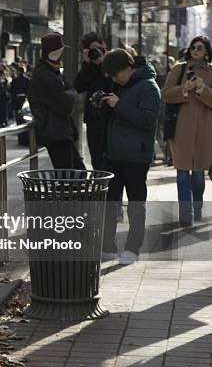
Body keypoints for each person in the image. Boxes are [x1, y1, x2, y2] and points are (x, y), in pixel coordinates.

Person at [100, 49, 161, 265]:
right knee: (110, 201)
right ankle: (107, 245)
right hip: (115, 153)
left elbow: (148, 120)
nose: (114, 79)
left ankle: (133, 248)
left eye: (116, 75)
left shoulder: (148, 87)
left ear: (128, 68)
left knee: (136, 203)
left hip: (137, 155)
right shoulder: (121, 84)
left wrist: (119, 104)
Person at [162, 36, 212, 225]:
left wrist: (202, 89)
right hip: (181, 130)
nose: (195, 50)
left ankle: (197, 205)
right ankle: (186, 214)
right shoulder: (179, 68)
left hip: (205, 132)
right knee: (183, 173)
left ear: (206, 51)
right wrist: (185, 88)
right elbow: (166, 94)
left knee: (198, 175)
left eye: (200, 47)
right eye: (193, 47)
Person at [28, 33, 85, 170]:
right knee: (69, 178)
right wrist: (70, 93)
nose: (63, 55)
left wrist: (68, 92)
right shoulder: (46, 75)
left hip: (58, 131)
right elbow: (65, 105)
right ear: (55, 53)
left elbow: (67, 91)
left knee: (76, 175)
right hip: (56, 132)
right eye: (61, 52)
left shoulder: (50, 72)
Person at [74, 32, 113, 171]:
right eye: (93, 49)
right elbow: (78, 86)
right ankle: (100, 190)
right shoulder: (88, 67)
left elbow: (114, 84)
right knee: (96, 159)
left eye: (99, 48)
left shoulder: (111, 64)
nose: (96, 52)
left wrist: (103, 63)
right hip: (93, 120)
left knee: (110, 160)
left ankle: (112, 191)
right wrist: (87, 63)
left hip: (110, 118)